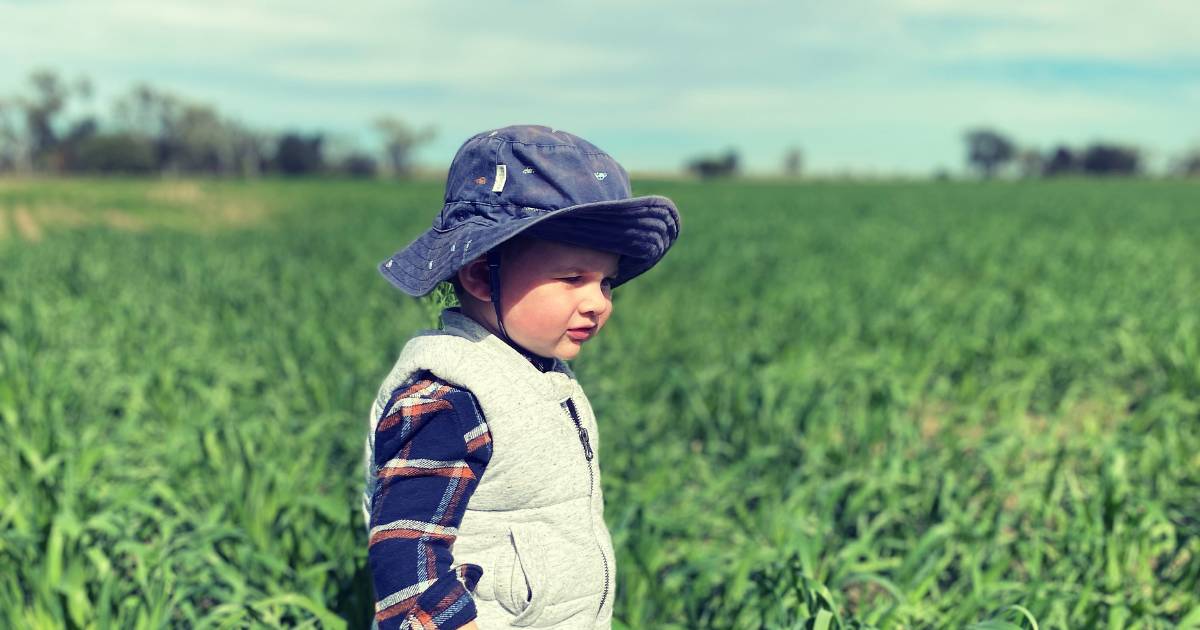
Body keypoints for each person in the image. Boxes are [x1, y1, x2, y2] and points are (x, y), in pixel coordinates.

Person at [362, 124, 680, 630]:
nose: (597, 303)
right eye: (572, 278)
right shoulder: (447, 398)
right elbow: (408, 563)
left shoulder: (540, 376)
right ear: (477, 275)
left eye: (606, 283)